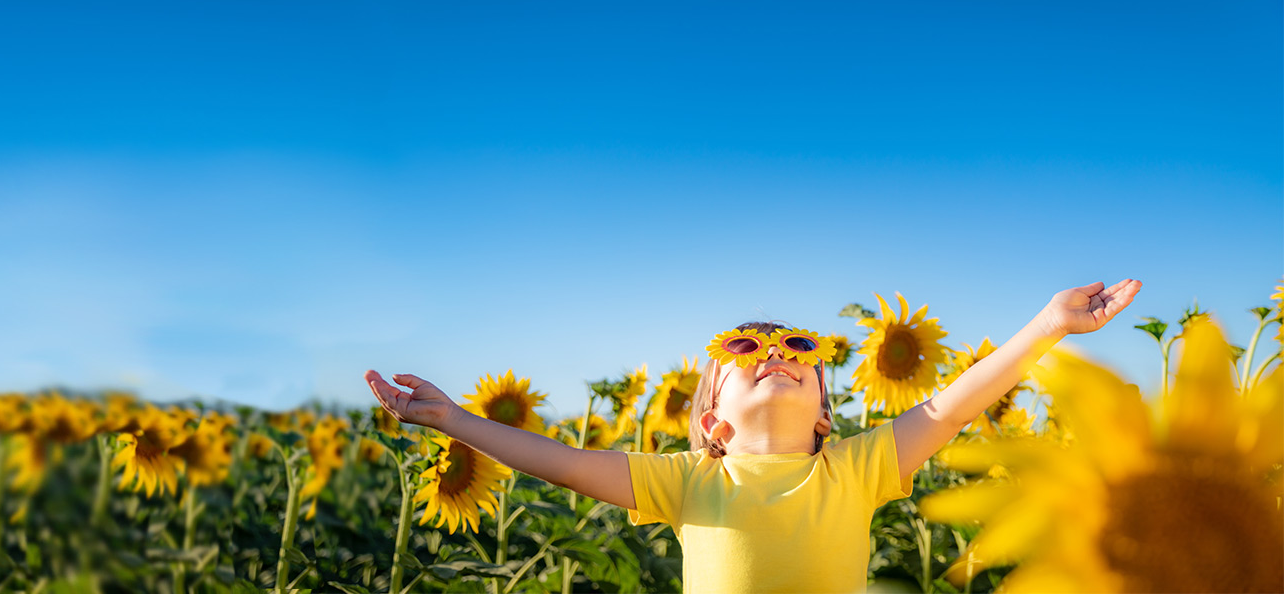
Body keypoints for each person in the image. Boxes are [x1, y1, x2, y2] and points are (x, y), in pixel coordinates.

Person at [365, 279, 1141, 593]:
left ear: (828, 415)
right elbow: (561, 463)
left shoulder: (857, 469)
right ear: (709, 421)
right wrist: (456, 422)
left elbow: (951, 407)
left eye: (800, 352)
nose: (777, 357)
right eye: (746, 352)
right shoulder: (689, 482)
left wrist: (1048, 324)